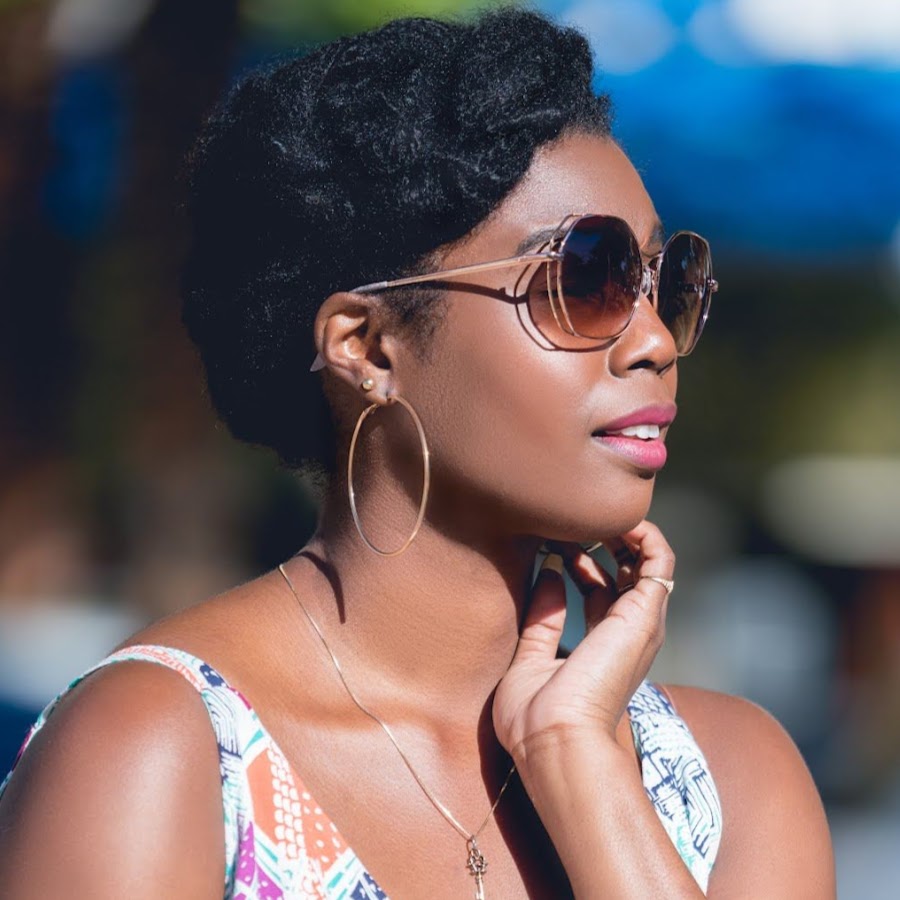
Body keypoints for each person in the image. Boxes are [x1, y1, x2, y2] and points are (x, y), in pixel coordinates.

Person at [0, 9, 834, 898]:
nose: (653, 341)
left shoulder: (727, 775)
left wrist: (579, 767)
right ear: (367, 348)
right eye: (587, 274)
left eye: (662, 282)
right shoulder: (162, 751)